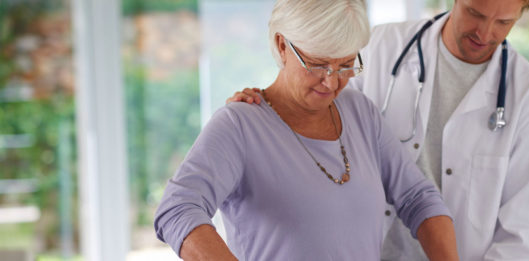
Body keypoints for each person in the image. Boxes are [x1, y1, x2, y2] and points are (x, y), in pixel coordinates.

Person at [228, 0, 529, 260]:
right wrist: (269, 107)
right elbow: (316, 111)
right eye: (475, 13)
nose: (485, 32)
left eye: (504, 22)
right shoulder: (378, 47)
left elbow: (525, 231)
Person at [154, 0, 459, 260]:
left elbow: (418, 197)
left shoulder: (360, 112)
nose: (332, 82)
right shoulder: (239, 125)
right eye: (318, 64)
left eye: (345, 65)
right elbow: (178, 209)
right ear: (282, 45)